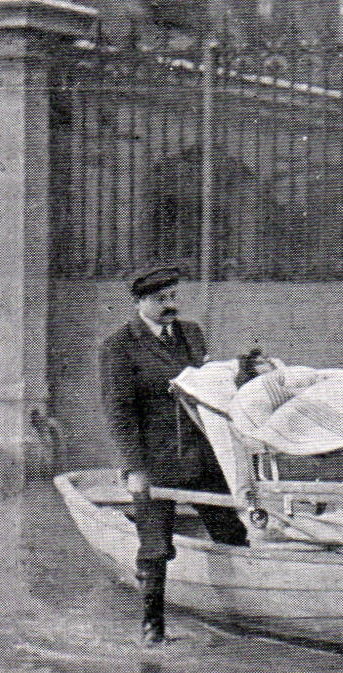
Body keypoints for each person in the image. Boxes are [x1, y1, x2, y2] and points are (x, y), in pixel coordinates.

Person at [99, 266, 250, 644]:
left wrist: (245, 371)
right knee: (154, 545)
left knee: (231, 531)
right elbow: (120, 412)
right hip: (155, 463)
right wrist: (135, 468)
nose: (170, 306)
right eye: (159, 300)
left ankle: (244, 613)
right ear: (138, 303)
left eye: (172, 297)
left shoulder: (191, 333)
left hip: (202, 455)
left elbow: (210, 384)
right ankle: (153, 629)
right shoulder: (119, 346)